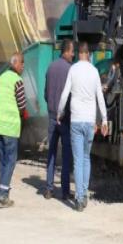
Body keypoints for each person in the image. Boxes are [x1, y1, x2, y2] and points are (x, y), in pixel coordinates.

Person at [58, 43, 108, 212]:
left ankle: (79, 198)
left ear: (79, 53)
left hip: (76, 121)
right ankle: (84, 192)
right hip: (89, 122)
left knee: (78, 160)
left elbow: (65, 93)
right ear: (88, 53)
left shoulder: (73, 70)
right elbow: (100, 97)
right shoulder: (94, 71)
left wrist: (59, 112)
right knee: (86, 158)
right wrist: (105, 120)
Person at [0, 52, 28, 209]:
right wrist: (24, 114)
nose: (23, 66)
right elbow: (21, 105)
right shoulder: (17, 81)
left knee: (2, 160)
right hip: (10, 127)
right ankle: (3, 196)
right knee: (11, 160)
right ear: (15, 64)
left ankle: (2, 189)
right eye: (22, 63)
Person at [43, 39, 74, 200]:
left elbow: (46, 94)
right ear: (66, 52)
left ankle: (48, 189)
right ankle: (65, 191)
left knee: (52, 153)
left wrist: (52, 109)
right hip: (65, 118)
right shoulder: (70, 70)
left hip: (51, 116)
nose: (73, 54)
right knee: (66, 154)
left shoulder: (51, 67)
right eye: (72, 51)